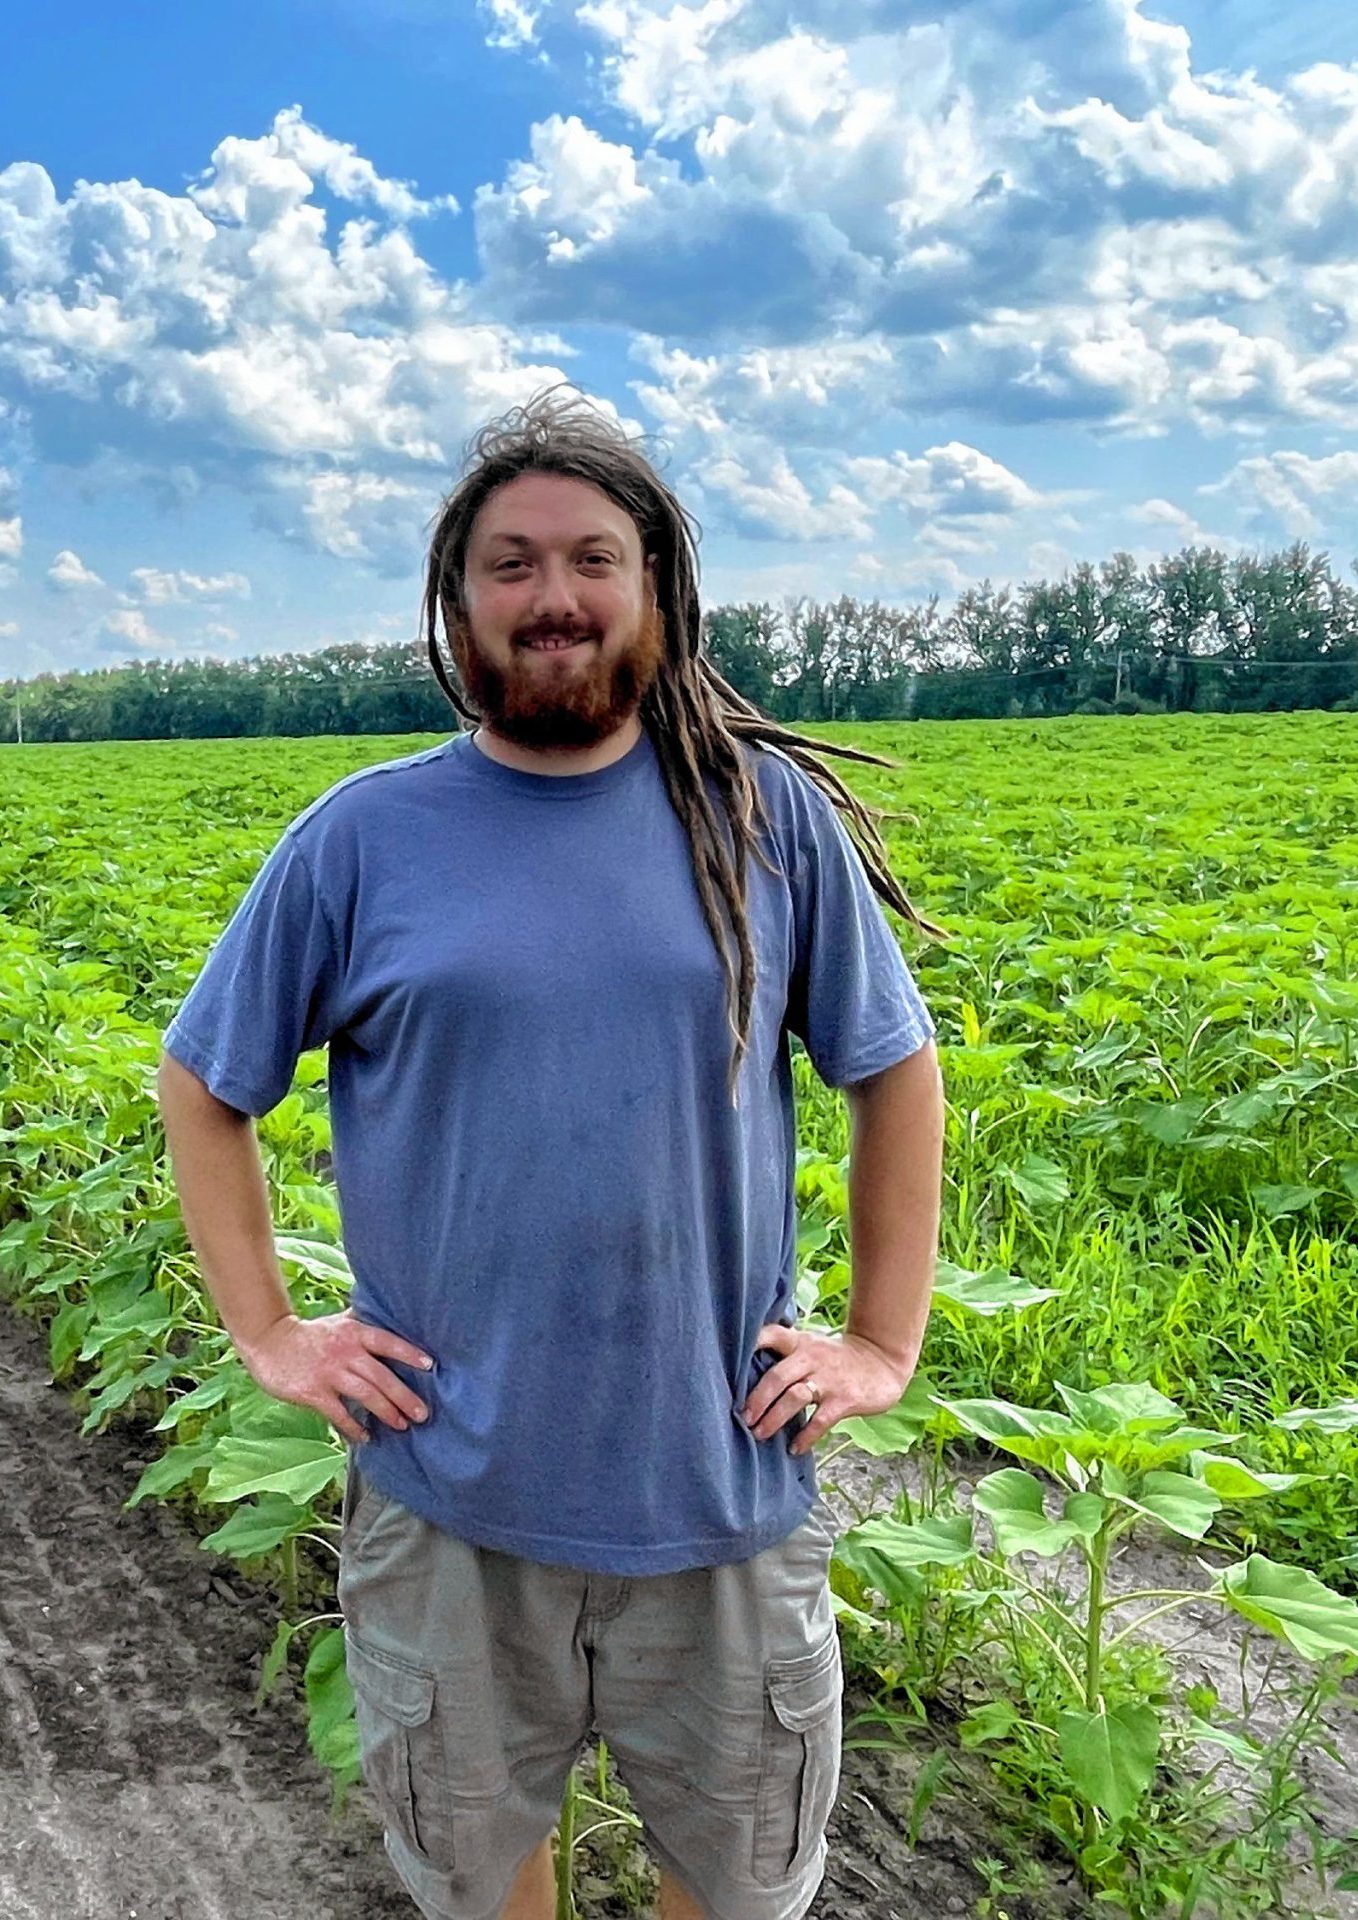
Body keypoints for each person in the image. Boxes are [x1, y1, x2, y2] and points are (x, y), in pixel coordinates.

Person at [153, 385, 947, 1920]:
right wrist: (265, 1330)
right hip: (454, 1500)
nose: (554, 598)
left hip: (721, 1490)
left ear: (657, 592)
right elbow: (205, 1084)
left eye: (592, 559)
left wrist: (879, 1342)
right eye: (511, 565)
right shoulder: (363, 838)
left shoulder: (760, 818)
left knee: (734, 1890)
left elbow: (895, 1070)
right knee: (476, 1887)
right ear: (457, 607)